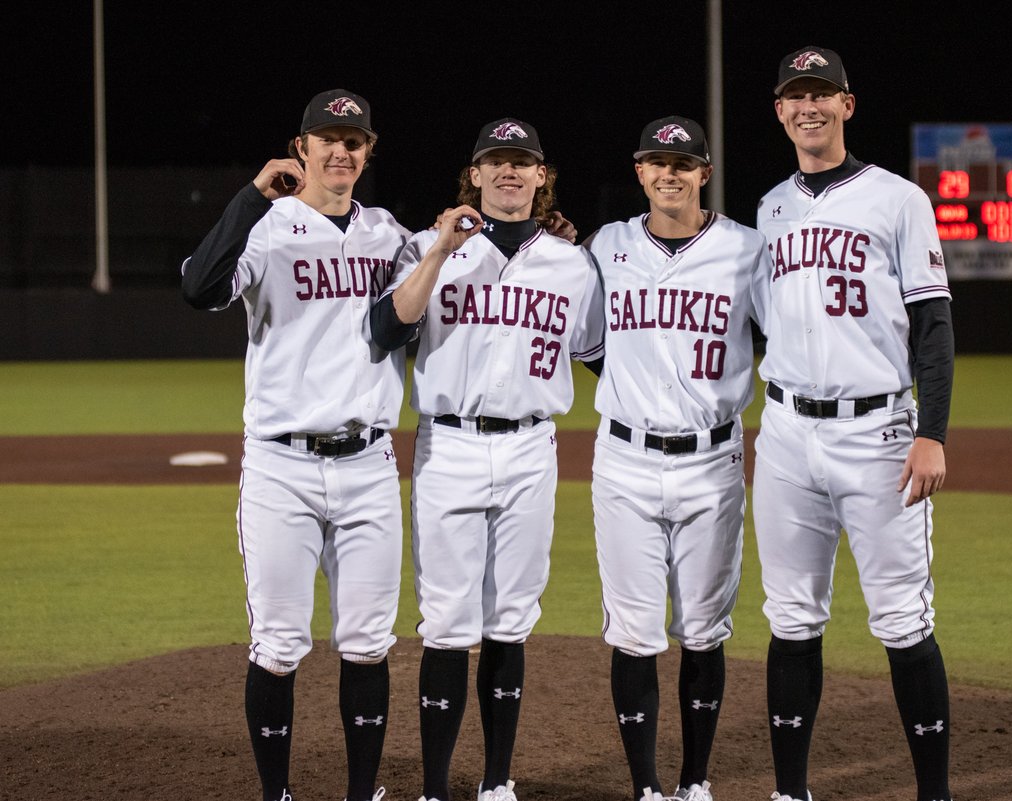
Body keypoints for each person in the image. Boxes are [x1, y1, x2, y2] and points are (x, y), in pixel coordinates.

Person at [181, 89, 410, 801]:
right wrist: (251, 197)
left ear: (368, 152)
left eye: (354, 140)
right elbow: (200, 286)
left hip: (368, 464)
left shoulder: (387, 233)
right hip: (281, 466)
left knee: (368, 643)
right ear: (301, 148)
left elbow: (441, 280)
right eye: (328, 139)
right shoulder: (269, 226)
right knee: (279, 645)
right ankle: (276, 793)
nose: (341, 150)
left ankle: (362, 791)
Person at [369, 117, 605, 801]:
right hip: (450, 445)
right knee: (445, 621)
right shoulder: (424, 246)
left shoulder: (572, 262)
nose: (509, 172)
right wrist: (439, 250)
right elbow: (385, 329)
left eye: (521, 163)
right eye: (495, 162)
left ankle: (497, 781)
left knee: (510, 618)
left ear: (540, 177)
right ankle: (437, 787)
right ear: (473, 174)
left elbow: (598, 353)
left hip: (532, 445)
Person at [753, 46, 955, 801]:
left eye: (822, 94)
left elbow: (933, 324)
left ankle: (933, 792)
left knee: (903, 618)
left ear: (847, 105)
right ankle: (789, 791)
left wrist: (932, 430)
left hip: (877, 434)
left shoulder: (897, 199)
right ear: (779, 110)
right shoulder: (771, 208)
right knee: (791, 615)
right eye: (795, 95)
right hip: (785, 434)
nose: (809, 107)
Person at [583, 116, 772, 801]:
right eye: (657, 162)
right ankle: (647, 786)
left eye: (683, 163)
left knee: (702, 628)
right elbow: (585, 341)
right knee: (635, 632)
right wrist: (629, 384)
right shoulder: (607, 246)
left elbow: (781, 333)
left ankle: (695, 779)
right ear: (640, 171)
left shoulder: (747, 250)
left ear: (704, 173)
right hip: (625, 460)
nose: (670, 173)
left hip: (712, 461)